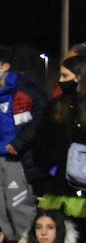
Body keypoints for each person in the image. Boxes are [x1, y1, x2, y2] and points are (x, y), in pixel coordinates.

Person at [0, 54, 47, 239]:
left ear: (5, 66)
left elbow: (39, 117)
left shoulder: (24, 89)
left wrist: (20, 143)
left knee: (18, 207)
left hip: (16, 158)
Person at [36, 52, 86, 225]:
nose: (60, 80)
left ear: (80, 77)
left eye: (65, 76)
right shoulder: (56, 106)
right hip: (60, 184)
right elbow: (42, 142)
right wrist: (51, 169)